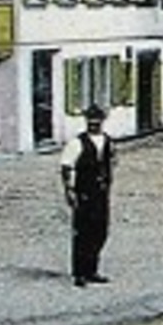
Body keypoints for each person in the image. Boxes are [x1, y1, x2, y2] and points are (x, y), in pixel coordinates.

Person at [59, 104, 114, 288]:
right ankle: (79, 273)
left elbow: (111, 162)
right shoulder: (77, 143)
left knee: (100, 231)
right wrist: (69, 191)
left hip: (101, 193)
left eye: (97, 122)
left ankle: (92, 270)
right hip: (84, 193)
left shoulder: (107, 141)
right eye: (91, 122)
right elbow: (66, 167)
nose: (94, 125)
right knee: (82, 233)